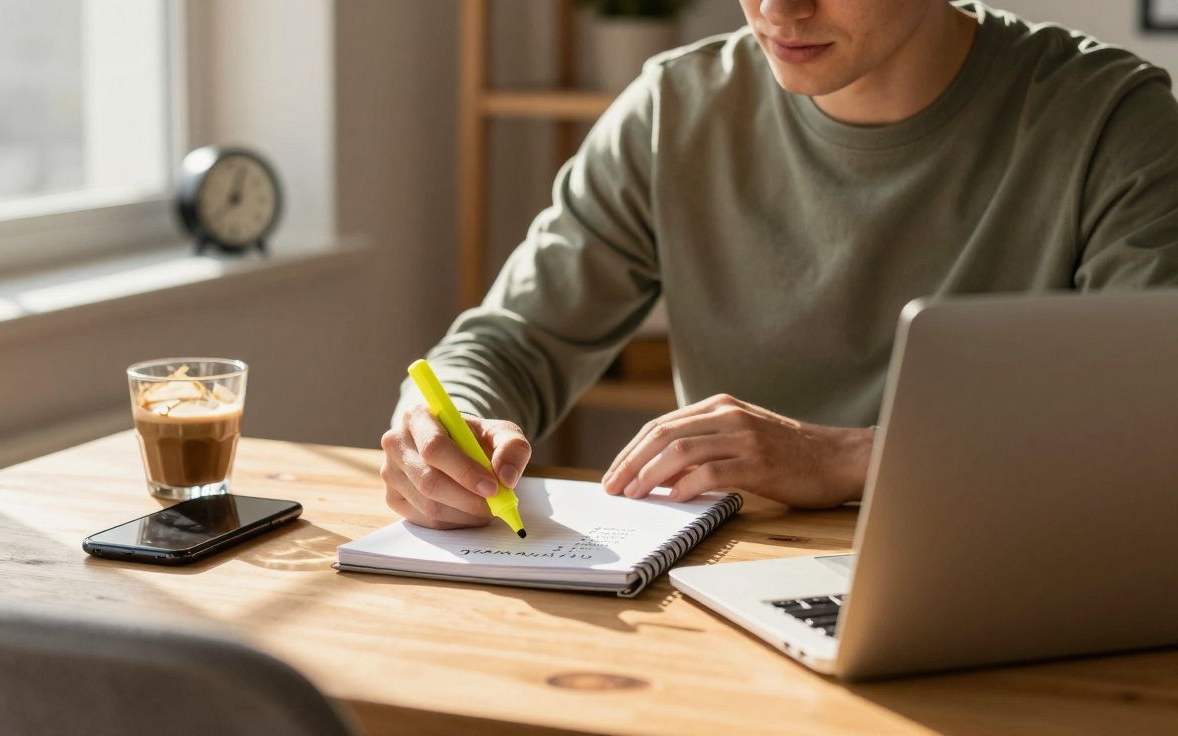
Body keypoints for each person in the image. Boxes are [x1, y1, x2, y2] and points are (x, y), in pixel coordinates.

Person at [380, 0, 1178, 530]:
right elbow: (511, 341)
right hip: (730, 590)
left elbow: (1152, 422)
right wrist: (447, 424)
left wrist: (844, 459)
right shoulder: (675, 109)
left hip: (1012, 580)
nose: (778, 7)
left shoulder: (1113, 122)